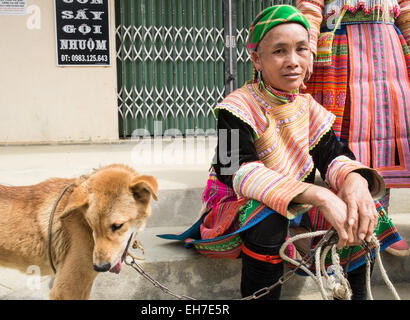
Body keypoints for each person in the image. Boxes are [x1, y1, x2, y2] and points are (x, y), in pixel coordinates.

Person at [159, 5, 402, 300]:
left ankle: (356, 294)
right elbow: (236, 171)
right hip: (237, 208)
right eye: (279, 52)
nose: (293, 62)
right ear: (256, 59)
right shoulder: (235, 108)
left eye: (301, 49)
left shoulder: (308, 108)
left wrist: (356, 183)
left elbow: (334, 154)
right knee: (270, 215)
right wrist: (322, 196)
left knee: (363, 208)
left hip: (294, 202)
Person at [297, 0, 410, 256]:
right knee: (340, 138)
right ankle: (329, 224)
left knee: (385, 139)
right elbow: (311, 7)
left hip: (388, 54)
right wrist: (306, 49)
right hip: (341, 54)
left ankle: (379, 221)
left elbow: (406, 9)